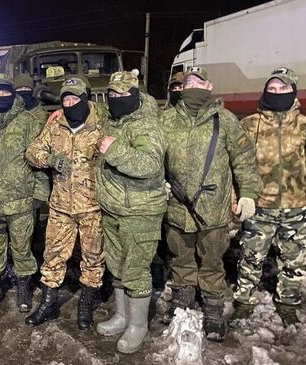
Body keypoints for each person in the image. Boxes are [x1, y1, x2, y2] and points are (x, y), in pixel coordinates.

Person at [159, 67, 261, 341]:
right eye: (187, 82)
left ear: (209, 85)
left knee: (212, 262)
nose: (192, 86)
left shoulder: (225, 120)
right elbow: (153, 157)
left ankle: (213, 310)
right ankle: (182, 300)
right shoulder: (166, 120)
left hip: (213, 210)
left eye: (198, 82)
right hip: (177, 209)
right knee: (180, 258)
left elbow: (244, 160)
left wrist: (249, 192)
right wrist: (159, 182)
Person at [229, 67, 306, 326]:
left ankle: (288, 304)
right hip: (260, 205)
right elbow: (237, 165)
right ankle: (244, 301)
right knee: (251, 256)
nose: (277, 93)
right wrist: (235, 196)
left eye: (283, 89)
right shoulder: (249, 125)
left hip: (297, 205)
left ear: (293, 91)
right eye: (272, 89)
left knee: (294, 258)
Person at [94, 72, 167, 353]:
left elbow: (148, 164)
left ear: (136, 96)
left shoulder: (147, 125)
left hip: (140, 210)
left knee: (135, 270)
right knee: (117, 265)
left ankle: (138, 326)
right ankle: (123, 316)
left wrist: (115, 150)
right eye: (112, 94)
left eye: (123, 94)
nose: (116, 99)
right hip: (113, 208)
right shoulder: (112, 120)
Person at [25, 77, 105, 330]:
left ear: (86, 99)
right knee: (53, 257)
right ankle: (48, 304)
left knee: (93, 259)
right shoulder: (56, 124)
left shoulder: (101, 124)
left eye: (75, 99)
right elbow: (32, 151)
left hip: (93, 207)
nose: (71, 104)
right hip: (60, 207)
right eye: (66, 100)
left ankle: (86, 306)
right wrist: (49, 159)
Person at [0, 73, 49, 312]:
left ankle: (23, 287)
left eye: (6, 91)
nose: (1, 96)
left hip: (21, 201)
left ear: (13, 93)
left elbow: (39, 159)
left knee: (22, 248)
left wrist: (40, 193)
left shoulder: (27, 122)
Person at [13, 73, 50, 259]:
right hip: (14, 184)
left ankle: (33, 268)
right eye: (18, 90)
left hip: (35, 180)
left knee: (36, 228)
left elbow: (44, 155)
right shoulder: (10, 114)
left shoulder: (43, 116)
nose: (22, 94)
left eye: (26, 90)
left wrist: (42, 191)